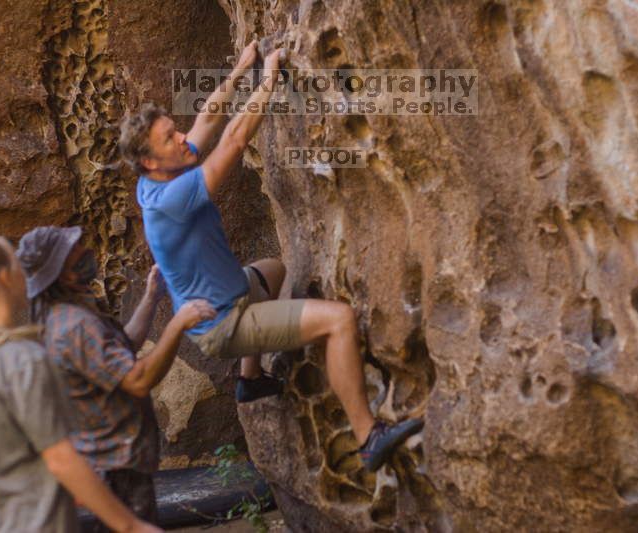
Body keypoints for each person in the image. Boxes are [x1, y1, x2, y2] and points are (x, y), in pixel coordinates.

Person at [118, 42, 423, 472]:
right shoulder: (171, 199)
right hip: (224, 323)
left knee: (275, 269)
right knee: (340, 321)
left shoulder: (160, 172)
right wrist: (267, 82)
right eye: (170, 137)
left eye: (174, 128)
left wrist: (241, 68)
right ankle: (367, 436)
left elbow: (208, 117)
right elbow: (236, 138)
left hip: (235, 292)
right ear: (150, 160)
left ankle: (251, 379)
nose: (183, 138)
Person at [0, 231, 160, 533]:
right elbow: (60, 460)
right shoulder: (22, 359)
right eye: (16, 262)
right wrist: (131, 526)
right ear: (4, 278)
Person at [16, 226, 214, 530]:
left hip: (112, 463)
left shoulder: (69, 312)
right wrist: (177, 326)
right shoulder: (75, 326)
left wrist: (151, 297)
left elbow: (123, 347)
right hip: (111, 468)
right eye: (75, 252)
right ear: (62, 274)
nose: (86, 251)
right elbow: (136, 380)